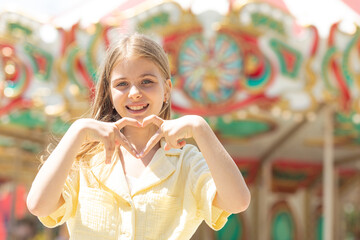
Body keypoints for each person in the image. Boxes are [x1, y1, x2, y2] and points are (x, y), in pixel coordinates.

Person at [26, 33, 250, 240]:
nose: (134, 93)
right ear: (110, 92)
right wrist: (77, 131)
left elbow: (238, 201)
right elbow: (38, 206)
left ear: (167, 90)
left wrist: (200, 127)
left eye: (147, 82)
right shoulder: (85, 161)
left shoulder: (186, 162)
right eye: (122, 84)